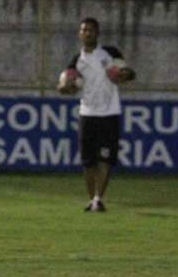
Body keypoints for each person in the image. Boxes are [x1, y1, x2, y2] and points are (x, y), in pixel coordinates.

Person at [57, 17, 135, 212]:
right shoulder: (76, 61)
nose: (87, 33)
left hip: (110, 111)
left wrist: (123, 74)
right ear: (80, 34)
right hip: (88, 112)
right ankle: (92, 199)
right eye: (84, 30)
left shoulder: (110, 53)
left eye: (91, 30)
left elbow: (129, 73)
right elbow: (63, 85)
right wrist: (66, 86)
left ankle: (98, 199)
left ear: (97, 33)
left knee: (105, 159)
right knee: (88, 162)